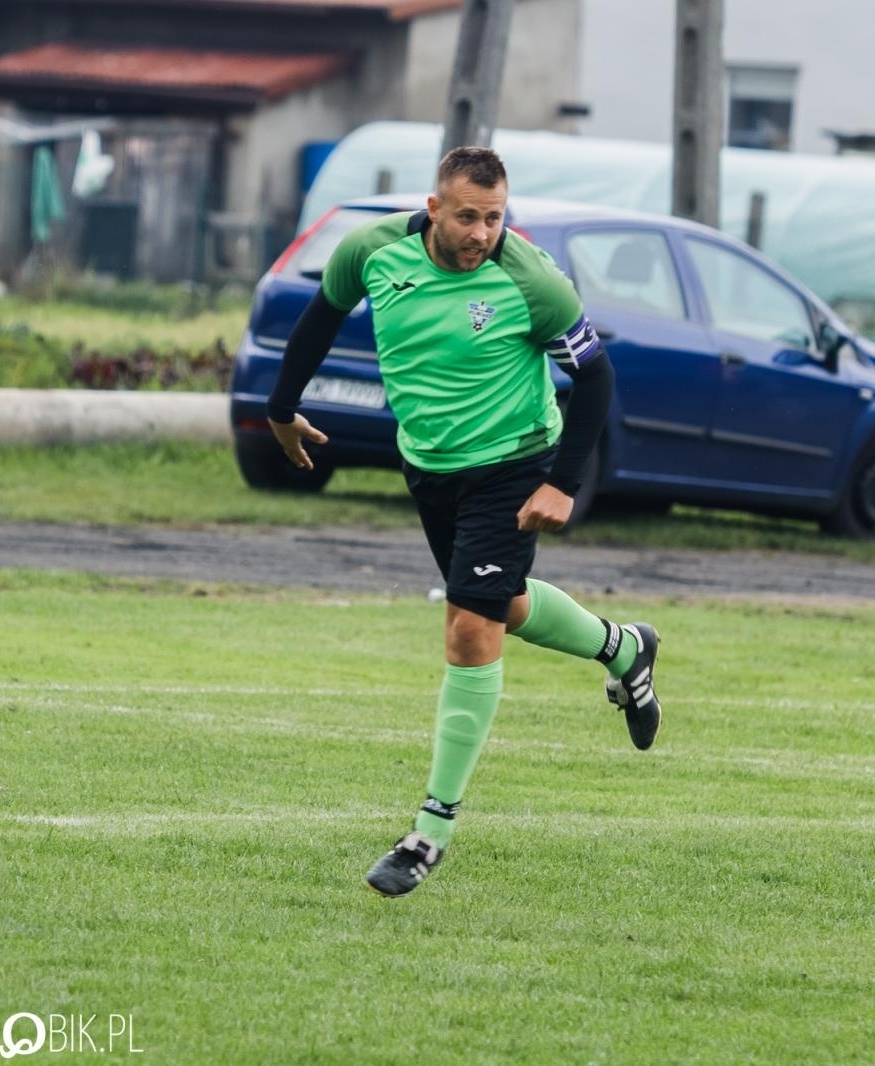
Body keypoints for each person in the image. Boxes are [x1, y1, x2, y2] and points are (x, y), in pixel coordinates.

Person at [265, 146, 664, 897]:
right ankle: (624, 648)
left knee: (469, 625)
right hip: (431, 467)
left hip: (514, 462)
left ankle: (429, 832)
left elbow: (597, 375)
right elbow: (320, 318)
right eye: (469, 216)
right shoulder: (373, 252)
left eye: (496, 216)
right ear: (434, 207)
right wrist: (281, 411)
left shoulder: (529, 276)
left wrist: (561, 483)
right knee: (501, 605)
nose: (483, 232)